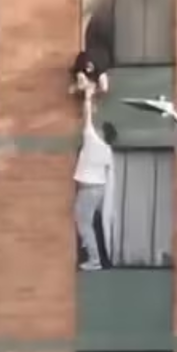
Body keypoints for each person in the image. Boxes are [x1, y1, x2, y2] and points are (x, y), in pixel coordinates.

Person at [72, 83, 117, 271]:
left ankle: (94, 259)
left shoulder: (92, 140)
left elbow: (87, 117)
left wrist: (88, 97)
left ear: (103, 135)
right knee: (85, 221)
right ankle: (91, 252)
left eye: (100, 130)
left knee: (83, 223)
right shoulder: (107, 150)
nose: (97, 130)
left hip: (89, 189)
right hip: (98, 189)